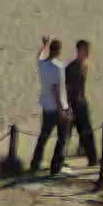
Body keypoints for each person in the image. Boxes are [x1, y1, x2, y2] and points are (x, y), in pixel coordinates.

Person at [30, 36, 72, 176]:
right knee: (62, 138)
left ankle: (35, 164)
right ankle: (55, 168)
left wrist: (44, 45)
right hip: (58, 106)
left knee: (44, 136)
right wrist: (62, 110)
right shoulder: (58, 68)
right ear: (59, 51)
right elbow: (57, 90)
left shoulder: (42, 64)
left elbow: (39, 55)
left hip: (46, 106)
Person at [66, 40, 99, 166]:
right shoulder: (72, 67)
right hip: (72, 104)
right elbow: (66, 88)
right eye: (85, 50)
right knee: (66, 135)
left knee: (87, 132)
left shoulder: (84, 65)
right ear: (79, 51)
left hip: (81, 103)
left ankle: (93, 159)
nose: (87, 53)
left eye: (88, 51)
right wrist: (68, 107)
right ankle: (58, 162)